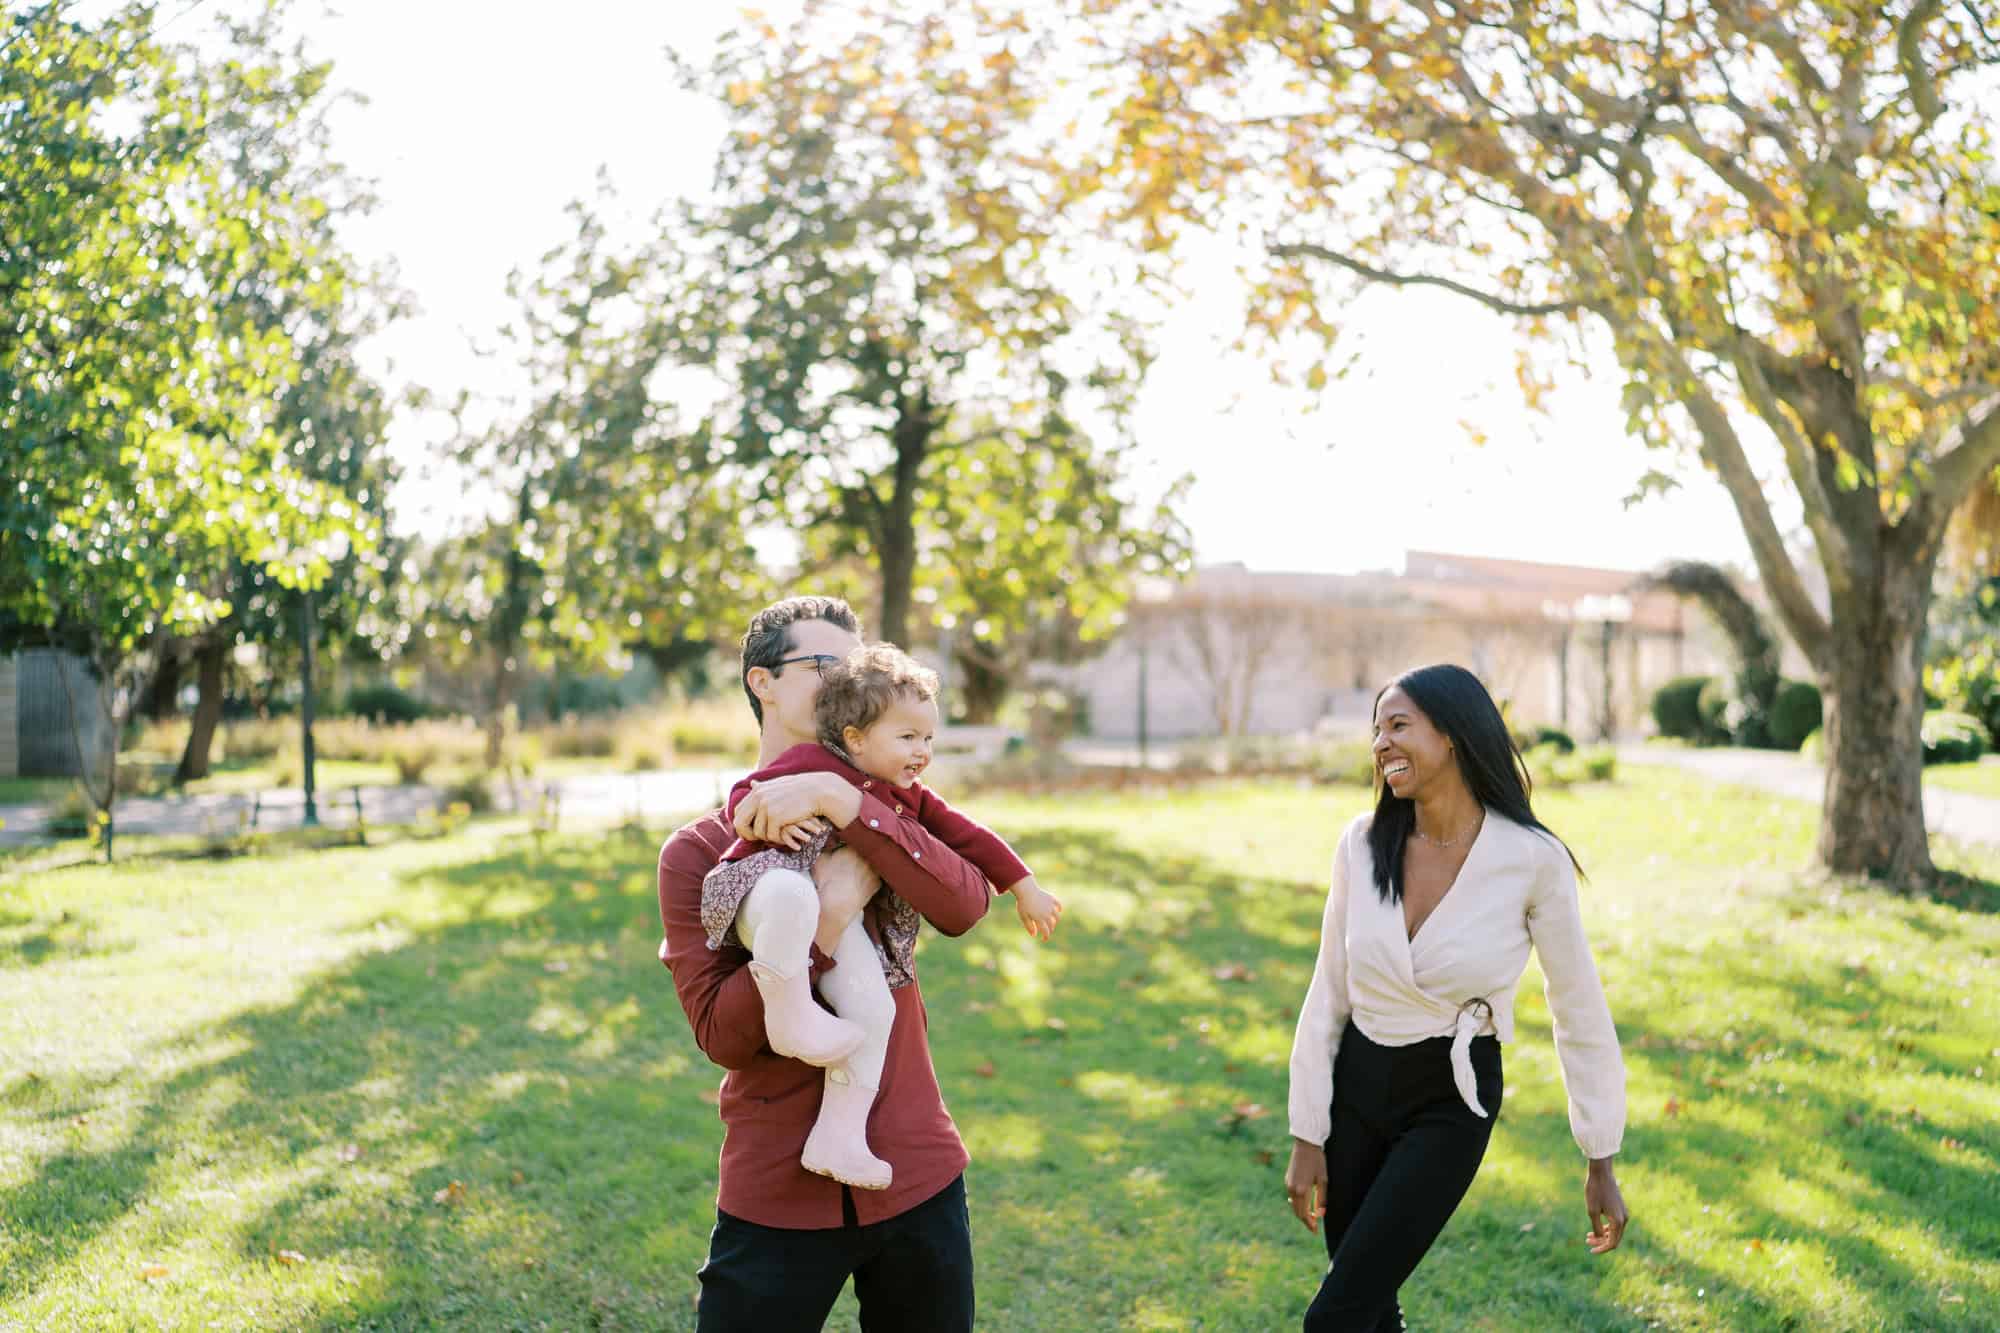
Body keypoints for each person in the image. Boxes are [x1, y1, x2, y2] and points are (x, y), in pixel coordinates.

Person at [657, 596, 993, 1332]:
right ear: (762, 683)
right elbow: (722, 1035)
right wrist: (828, 918)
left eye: (858, 660)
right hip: (776, 1188)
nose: (852, 677)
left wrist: (844, 800)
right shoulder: (697, 852)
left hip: (915, 1168)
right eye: (825, 665)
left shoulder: (887, 806)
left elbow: (968, 904)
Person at [1284, 663, 1629, 1331]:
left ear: (1452, 734)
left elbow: (1577, 1007)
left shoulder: (1531, 860)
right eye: (1376, 729)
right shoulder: (1361, 843)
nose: (1380, 743)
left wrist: (1600, 1154)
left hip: (1452, 1096)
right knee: (1370, 1305)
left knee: (1336, 1315)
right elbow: (1328, 989)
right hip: (1356, 1086)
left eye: (1398, 725)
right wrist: (1308, 1130)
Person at [699, 641, 1062, 1191]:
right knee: (794, 899)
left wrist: (1024, 885)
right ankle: (787, 1009)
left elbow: (969, 836)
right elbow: (744, 793)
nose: (923, 752)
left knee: (875, 1008)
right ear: (856, 739)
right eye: (908, 737)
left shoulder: (911, 797)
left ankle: (840, 1136)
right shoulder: (813, 764)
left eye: (929, 738)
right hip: (762, 896)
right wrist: (753, 816)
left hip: (836, 925)